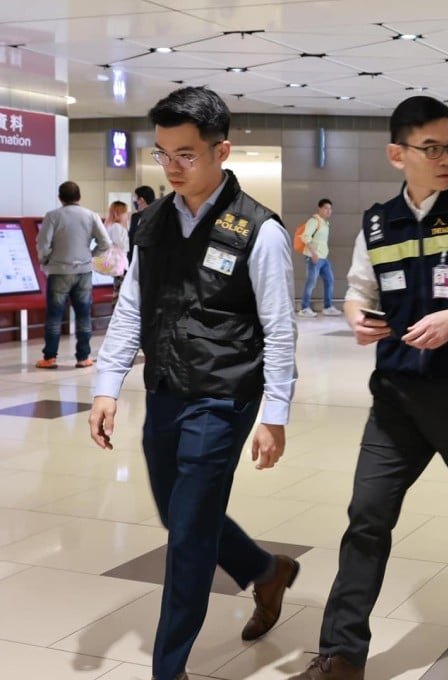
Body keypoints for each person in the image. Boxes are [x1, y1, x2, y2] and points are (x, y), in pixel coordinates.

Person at [288, 96, 448, 680]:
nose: (446, 157)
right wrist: (353, 315)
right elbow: (357, 288)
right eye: (432, 147)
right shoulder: (376, 221)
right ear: (398, 154)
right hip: (394, 395)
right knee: (367, 515)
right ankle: (343, 652)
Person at [88, 86, 300, 680]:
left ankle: (169, 668)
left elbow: (281, 329)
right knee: (179, 516)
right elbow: (132, 307)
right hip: (165, 388)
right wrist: (106, 386)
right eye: (163, 154)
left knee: (186, 538)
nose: (173, 168)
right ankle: (266, 570)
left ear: (220, 151)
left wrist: (275, 413)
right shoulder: (152, 222)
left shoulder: (258, 230)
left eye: (186, 154)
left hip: (225, 395)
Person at [35, 181, 111, 369]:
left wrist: (45, 260)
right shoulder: (90, 215)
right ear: (79, 196)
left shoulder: (53, 216)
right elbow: (105, 243)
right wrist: (90, 256)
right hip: (84, 272)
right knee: (83, 315)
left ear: (60, 197)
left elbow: (43, 244)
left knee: (54, 315)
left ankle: (50, 357)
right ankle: (83, 357)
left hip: (59, 271)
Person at [298, 198, 342, 317]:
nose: (329, 211)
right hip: (314, 258)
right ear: (320, 209)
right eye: (326, 208)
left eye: (330, 208)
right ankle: (304, 308)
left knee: (330, 281)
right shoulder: (314, 221)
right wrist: (313, 254)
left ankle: (328, 307)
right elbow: (305, 237)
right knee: (311, 283)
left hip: (324, 258)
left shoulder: (325, 223)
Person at [103, 200, 132, 291]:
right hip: (120, 263)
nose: (127, 215)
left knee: (119, 288)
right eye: (125, 213)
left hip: (118, 263)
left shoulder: (112, 226)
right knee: (120, 290)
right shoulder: (117, 227)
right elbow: (121, 245)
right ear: (118, 214)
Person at [129, 185, 157, 261]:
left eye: (135, 198)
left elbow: (132, 238)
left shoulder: (136, 217)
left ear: (141, 199)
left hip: (138, 256)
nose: (134, 201)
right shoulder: (158, 214)